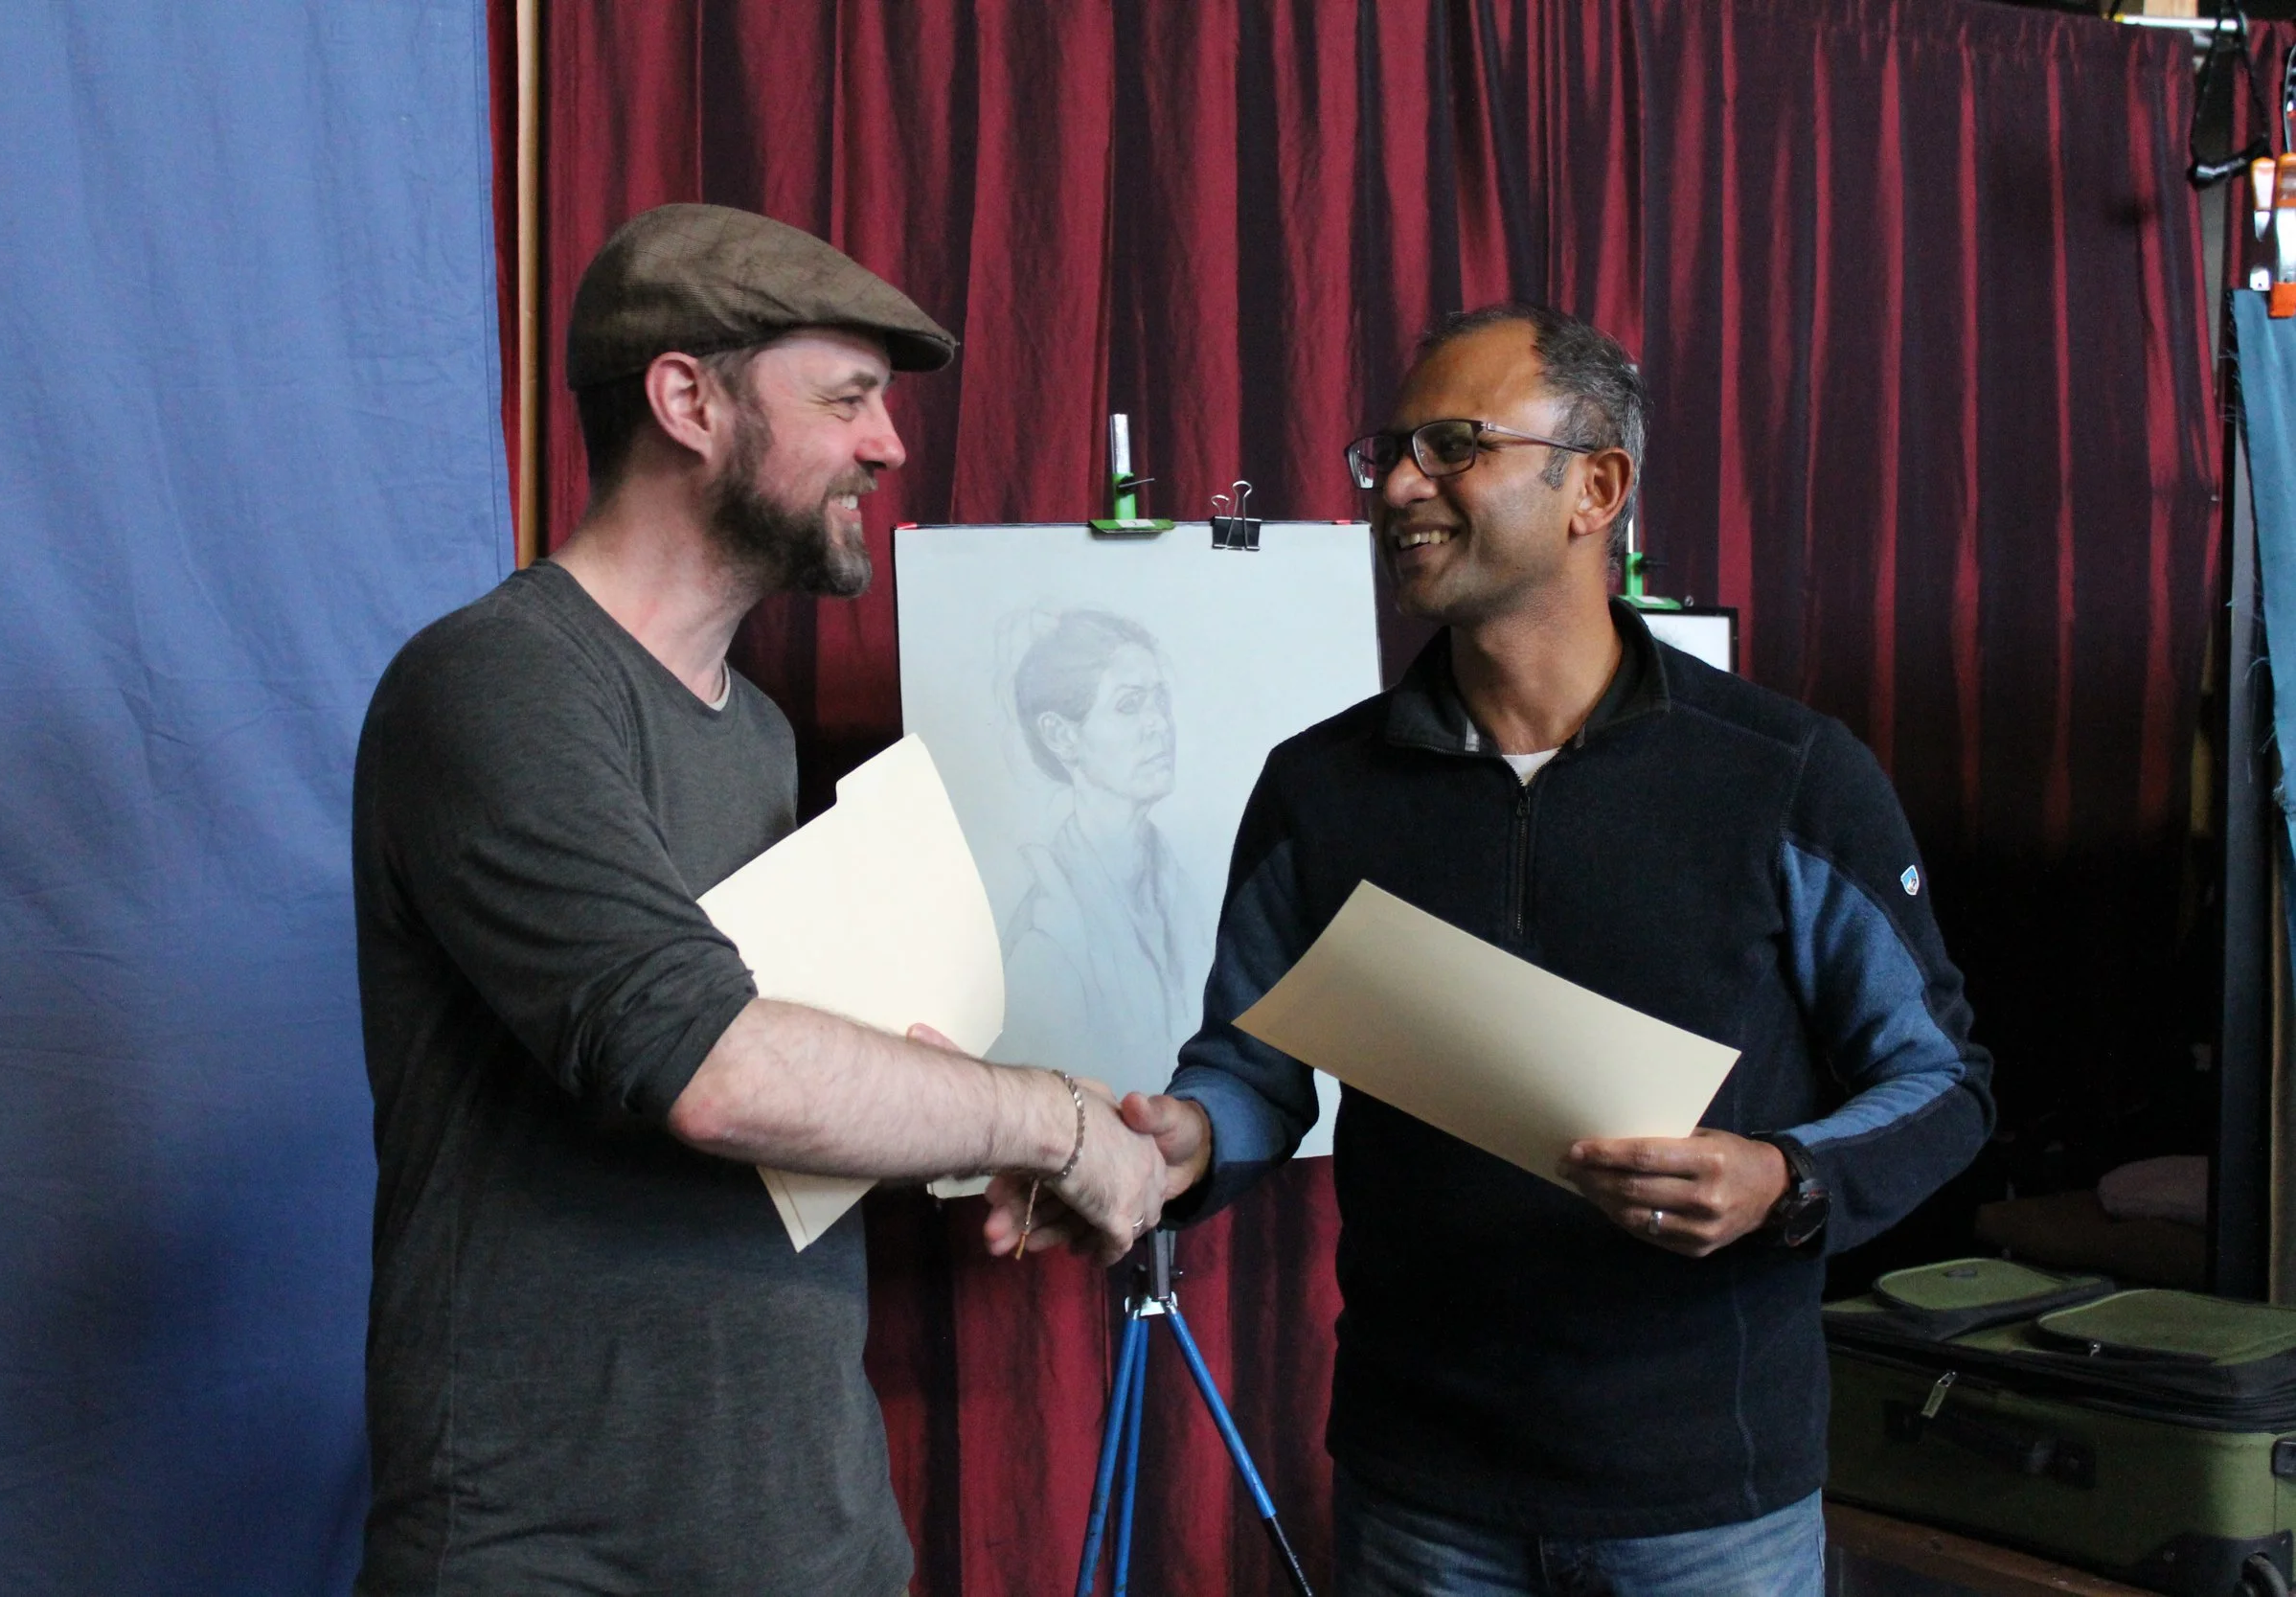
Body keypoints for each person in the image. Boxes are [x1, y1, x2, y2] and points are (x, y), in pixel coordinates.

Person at [1002, 304, 1995, 1595]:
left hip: (1708, 1500)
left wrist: (1782, 1175)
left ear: (1597, 488)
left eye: (1455, 445)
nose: (1397, 487)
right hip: (1422, 1492)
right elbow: (1250, 1067)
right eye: (1389, 452)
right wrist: (1183, 1142)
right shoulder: (1318, 788)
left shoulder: (1788, 774)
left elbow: (1941, 1083)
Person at [350, 204, 1168, 1597]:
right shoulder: (497, 682)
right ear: (688, 402)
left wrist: (976, 1128)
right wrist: (1054, 1120)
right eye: (846, 399)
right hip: (550, 1553)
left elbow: (801, 1091)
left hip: (813, 1539)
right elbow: (713, 1071)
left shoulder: (761, 734)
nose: (887, 444)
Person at [994, 608, 1196, 1090]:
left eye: (1160, 701)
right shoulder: (1047, 929)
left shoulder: (1180, 886)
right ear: (1061, 736)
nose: (1159, 724)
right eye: (1129, 706)